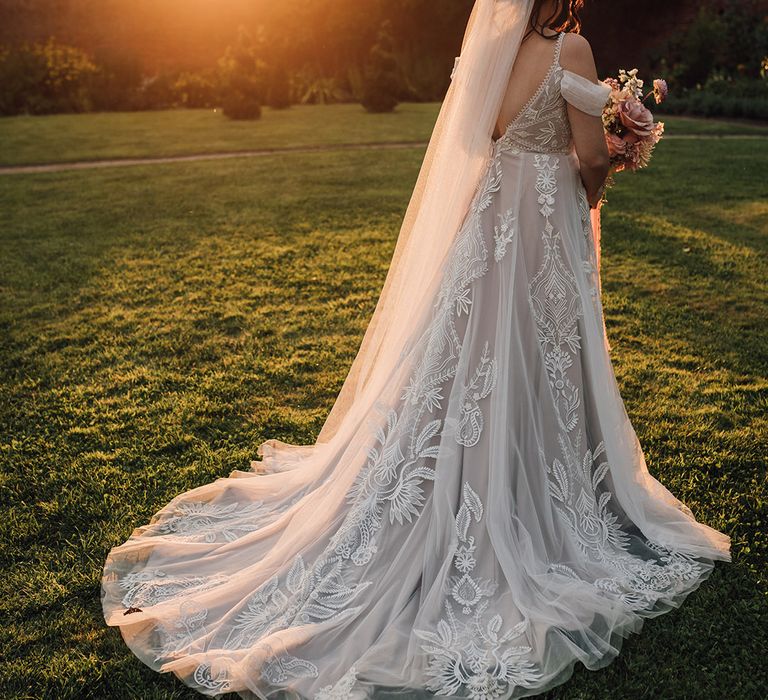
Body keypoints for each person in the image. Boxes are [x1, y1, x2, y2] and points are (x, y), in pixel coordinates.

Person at [101, 1, 731, 697]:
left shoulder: (494, 51)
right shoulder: (569, 52)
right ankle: (534, 493)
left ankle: (468, 479)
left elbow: (476, 143)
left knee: (469, 361)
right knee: (539, 358)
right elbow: (583, 154)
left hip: (490, 220)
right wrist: (609, 167)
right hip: (542, 225)